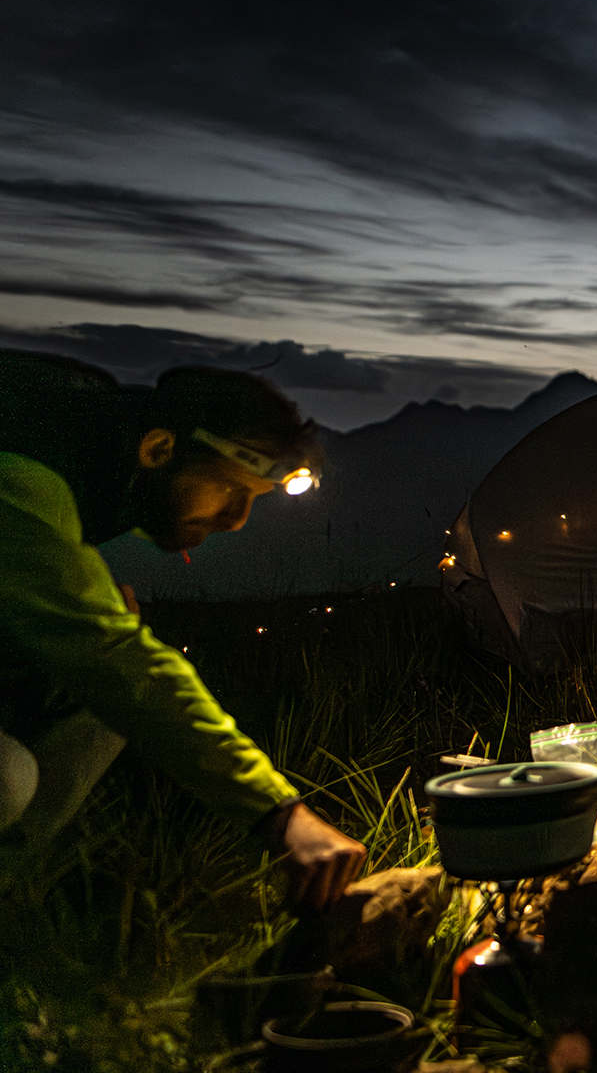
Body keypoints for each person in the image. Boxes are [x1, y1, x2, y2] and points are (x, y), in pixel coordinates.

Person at [0, 350, 365, 909]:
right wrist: (279, 815)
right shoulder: (26, 468)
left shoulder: (83, 456)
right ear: (159, 449)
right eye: (229, 490)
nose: (237, 518)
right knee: (8, 776)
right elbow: (117, 658)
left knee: (99, 710)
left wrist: (79, 599)